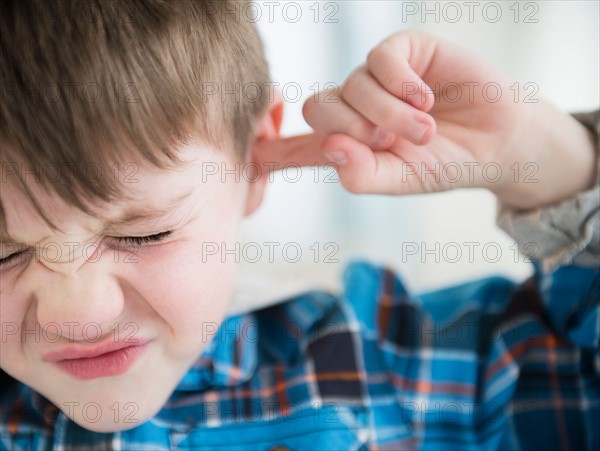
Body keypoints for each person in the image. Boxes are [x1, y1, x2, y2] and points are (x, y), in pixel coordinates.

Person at [0, 1, 597, 449]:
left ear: (253, 163)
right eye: (4, 254)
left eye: (142, 234)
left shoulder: (380, 367)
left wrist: (546, 156)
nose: (75, 314)